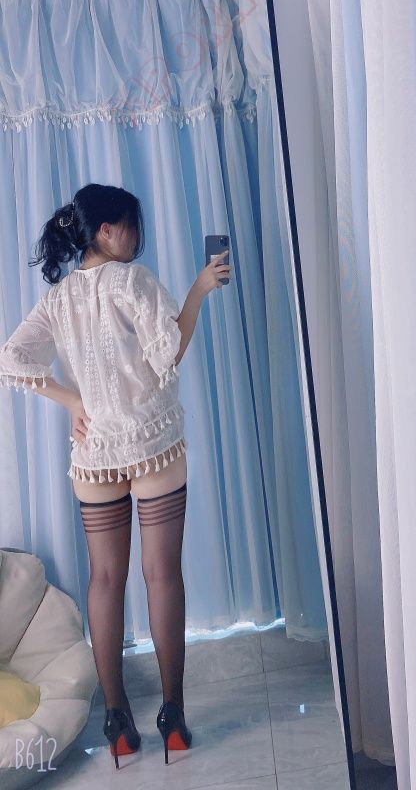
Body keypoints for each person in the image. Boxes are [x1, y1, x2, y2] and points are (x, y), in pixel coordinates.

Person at [0, 183, 231, 768]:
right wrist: (200, 289)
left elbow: (11, 357)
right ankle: (173, 717)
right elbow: (168, 352)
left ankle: (116, 720)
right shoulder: (134, 281)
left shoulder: (57, 299)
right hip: (152, 442)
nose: (136, 237)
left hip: (95, 455)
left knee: (104, 581)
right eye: (131, 225)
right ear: (105, 230)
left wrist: (70, 400)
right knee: (162, 575)